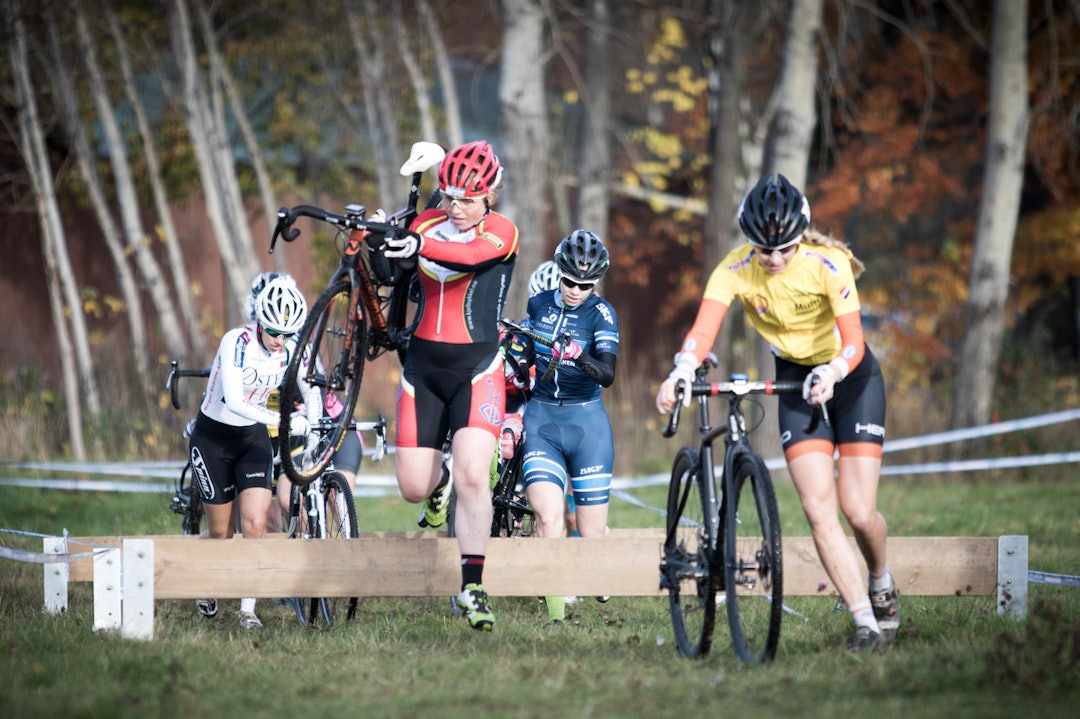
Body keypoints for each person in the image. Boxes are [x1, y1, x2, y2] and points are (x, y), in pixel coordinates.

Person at [655, 173, 899, 652]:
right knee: (816, 506)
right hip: (793, 377)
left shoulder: (829, 264)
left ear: (799, 238)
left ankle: (880, 576)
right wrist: (681, 370)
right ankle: (866, 623)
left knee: (858, 508)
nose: (774, 259)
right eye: (764, 250)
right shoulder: (734, 268)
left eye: (784, 249)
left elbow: (855, 344)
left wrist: (831, 373)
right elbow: (702, 331)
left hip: (850, 377)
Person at [380, 139, 519, 631]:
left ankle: (473, 587)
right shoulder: (427, 222)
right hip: (423, 368)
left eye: (467, 198)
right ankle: (437, 489)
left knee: (474, 477)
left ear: (490, 195)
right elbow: (397, 265)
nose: (456, 207)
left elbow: (469, 258)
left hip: (478, 370)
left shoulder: (502, 231)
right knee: (414, 487)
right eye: (449, 196)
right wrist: (384, 239)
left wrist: (419, 244)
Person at [188, 276, 320, 629]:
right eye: (274, 331)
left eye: (287, 334)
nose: (280, 341)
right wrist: (285, 419)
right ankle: (202, 577)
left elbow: (312, 390)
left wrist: (315, 428)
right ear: (260, 322)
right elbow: (234, 400)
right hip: (213, 438)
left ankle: (248, 609)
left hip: (253, 440)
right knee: (221, 532)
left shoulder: (290, 349)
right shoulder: (236, 341)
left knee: (256, 524)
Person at [521, 230, 619, 626]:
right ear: (558, 273)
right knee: (548, 517)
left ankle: (596, 569)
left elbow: (609, 374)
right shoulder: (538, 303)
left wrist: (579, 356)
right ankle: (556, 617)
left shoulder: (602, 314)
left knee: (591, 534)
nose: (576, 290)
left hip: (587, 423)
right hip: (542, 418)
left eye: (586, 284)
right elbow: (523, 355)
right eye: (569, 281)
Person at [243, 273, 368, 531]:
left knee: (338, 499)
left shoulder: (298, 347)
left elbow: (314, 395)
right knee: (287, 507)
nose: (277, 338)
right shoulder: (246, 346)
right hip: (289, 430)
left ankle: (343, 550)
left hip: (330, 423)